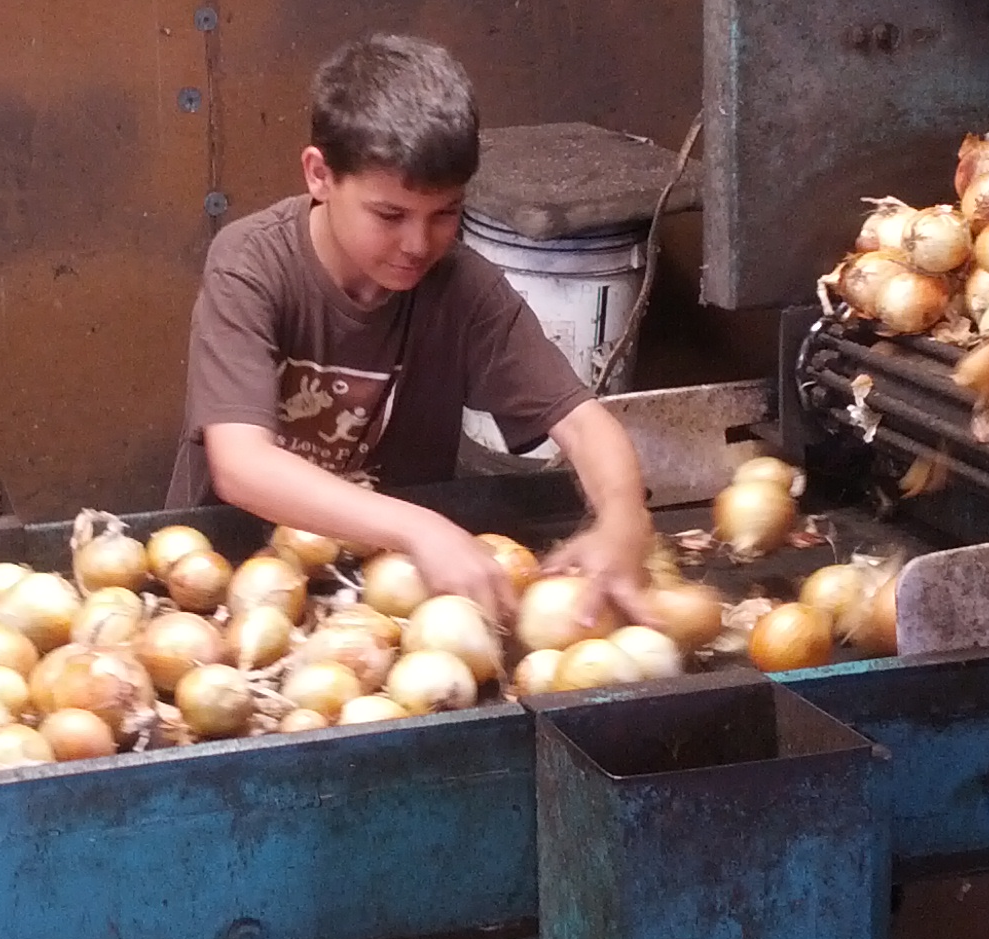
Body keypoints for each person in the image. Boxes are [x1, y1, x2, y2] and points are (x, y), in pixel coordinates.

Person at [166, 33, 660, 625]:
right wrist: (420, 528)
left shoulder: (463, 291)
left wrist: (624, 521)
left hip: (385, 601)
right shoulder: (252, 265)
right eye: (390, 215)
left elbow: (582, 422)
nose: (419, 244)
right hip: (233, 587)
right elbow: (241, 465)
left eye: (445, 213)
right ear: (319, 175)